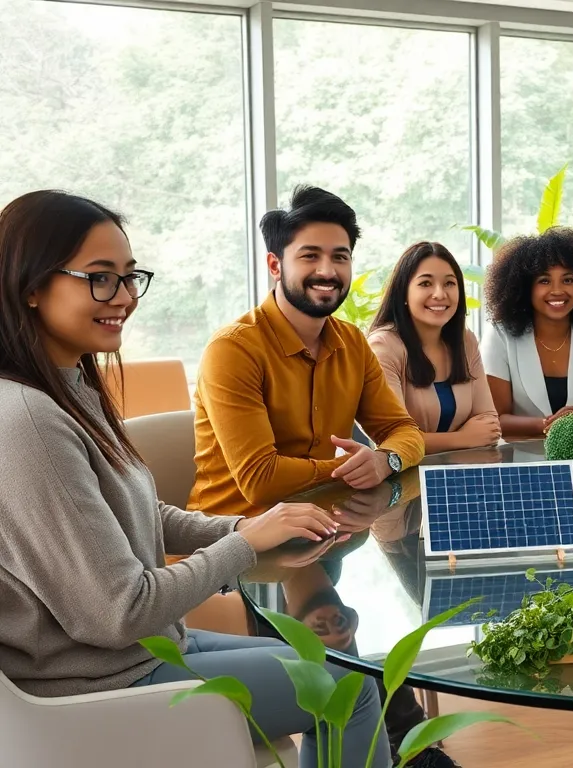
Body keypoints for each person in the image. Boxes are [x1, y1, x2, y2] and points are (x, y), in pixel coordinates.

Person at [0, 190, 389, 767]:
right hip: (101, 686)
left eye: (131, 277)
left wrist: (250, 526)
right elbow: (119, 612)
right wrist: (244, 543)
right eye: (101, 278)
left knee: (342, 670)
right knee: (353, 694)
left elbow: (143, 513)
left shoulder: (70, 386)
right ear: (29, 286)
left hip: (147, 648)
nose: (126, 298)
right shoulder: (29, 421)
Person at [189, 186, 425, 519]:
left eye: (340, 257)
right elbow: (260, 480)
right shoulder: (233, 349)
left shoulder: (352, 343)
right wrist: (349, 467)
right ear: (275, 265)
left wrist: (386, 459)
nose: (327, 271)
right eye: (310, 256)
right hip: (234, 550)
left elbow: (404, 431)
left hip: (324, 533)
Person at [482, 227, 573, 437]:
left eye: (568, 280)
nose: (557, 290)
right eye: (544, 281)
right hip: (518, 462)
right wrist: (553, 426)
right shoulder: (500, 336)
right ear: (525, 287)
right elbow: (497, 418)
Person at [368, 241, 500, 453]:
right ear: (403, 293)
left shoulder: (465, 341)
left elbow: (489, 422)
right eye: (425, 284)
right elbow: (391, 438)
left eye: (449, 283)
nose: (439, 294)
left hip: (463, 471)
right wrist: (464, 438)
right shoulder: (383, 346)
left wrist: (428, 440)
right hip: (404, 478)